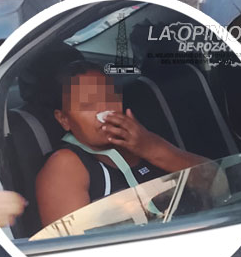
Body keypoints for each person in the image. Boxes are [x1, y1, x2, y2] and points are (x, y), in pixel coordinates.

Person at [34, 60, 210, 227]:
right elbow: (74, 244)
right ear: (64, 119)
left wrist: (151, 147)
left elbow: (215, 182)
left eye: (110, 98)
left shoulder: (142, 140)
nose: (104, 111)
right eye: (87, 105)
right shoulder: (66, 165)